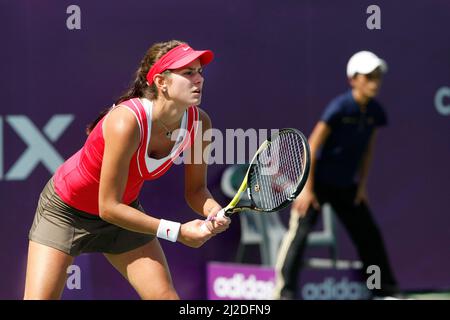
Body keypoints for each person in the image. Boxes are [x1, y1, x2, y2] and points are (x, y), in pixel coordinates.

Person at [24, 40, 230, 300]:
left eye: (200, 71)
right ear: (161, 82)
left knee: (165, 297)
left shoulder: (200, 122)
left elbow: (197, 191)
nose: (198, 79)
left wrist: (213, 212)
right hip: (65, 213)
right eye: (188, 73)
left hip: (124, 214)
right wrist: (177, 232)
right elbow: (107, 207)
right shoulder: (126, 122)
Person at [274, 51, 399, 299]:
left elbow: (367, 152)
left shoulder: (375, 112)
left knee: (368, 233)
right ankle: (284, 292)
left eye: (377, 77)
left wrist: (361, 186)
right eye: (368, 76)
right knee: (299, 234)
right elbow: (311, 146)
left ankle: (383, 288)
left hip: (345, 186)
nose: (374, 82)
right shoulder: (340, 107)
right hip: (317, 183)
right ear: (353, 79)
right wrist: (307, 190)